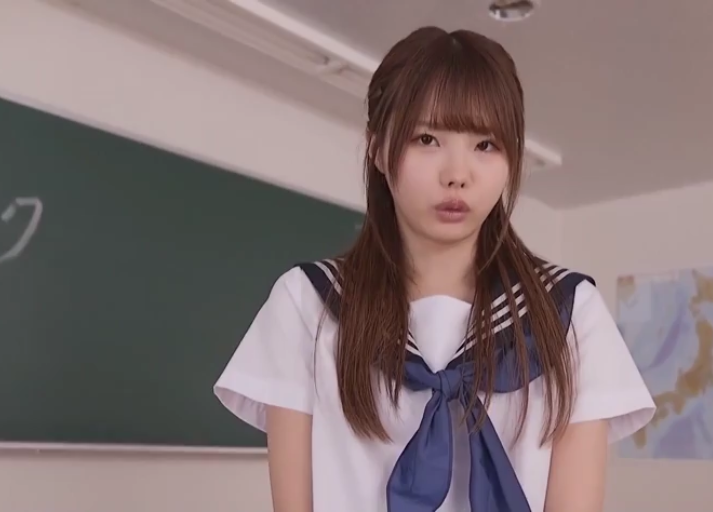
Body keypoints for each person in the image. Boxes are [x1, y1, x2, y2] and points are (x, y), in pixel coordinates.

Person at [213, 26, 655, 512]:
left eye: (486, 145)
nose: (457, 174)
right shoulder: (308, 304)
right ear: (378, 149)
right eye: (427, 138)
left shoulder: (567, 313)